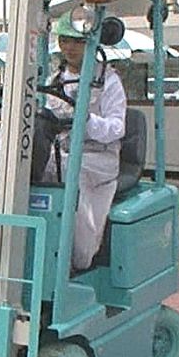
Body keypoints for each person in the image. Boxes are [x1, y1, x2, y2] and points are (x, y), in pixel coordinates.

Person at [43, 14, 127, 272]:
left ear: (91, 42)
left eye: (77, 41)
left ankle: (79, 257)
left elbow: (117, 127)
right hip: (62, 151)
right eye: (65, 40)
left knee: (69, 170)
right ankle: (41, 248)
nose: (70, 47)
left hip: (98, 156)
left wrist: (87, 120)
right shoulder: (54, 80)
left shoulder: (108, 80)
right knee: (31, 168)